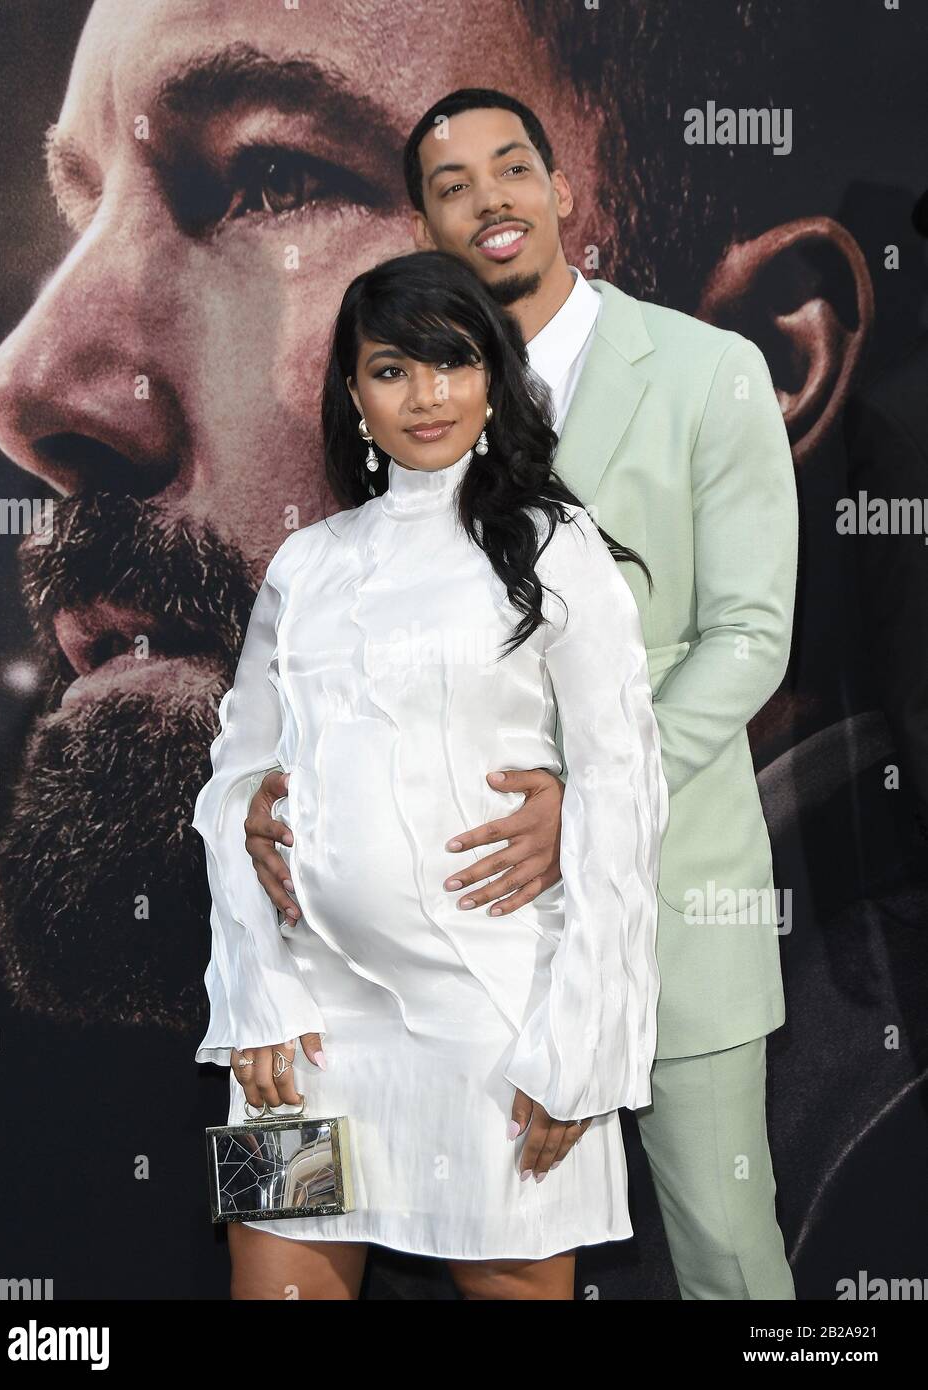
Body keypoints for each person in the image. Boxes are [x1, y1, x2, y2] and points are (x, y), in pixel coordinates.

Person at [243, 89, 800, 1301]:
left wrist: (589, 798)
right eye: (451, 184)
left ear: (562, 188)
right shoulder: (332, 541)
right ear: (423, 226)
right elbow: (268, 725)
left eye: (511, 168)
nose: (489, 198)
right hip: (390, 978)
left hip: (665, 910)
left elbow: (751, 634)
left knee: (723, 1252)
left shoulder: (709, 374)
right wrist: (261, 814)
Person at [192, 248, 669, 1300]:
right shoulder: (306, 564)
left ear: (492, 378)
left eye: (452, 363)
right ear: (353, 393)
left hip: (499, 1019)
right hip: (306, 1030)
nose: (427, 395)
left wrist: (581, 1048)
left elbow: (622, 796)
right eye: (392, 369)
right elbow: (234, 783)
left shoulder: (557, 548)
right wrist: (255, 990)